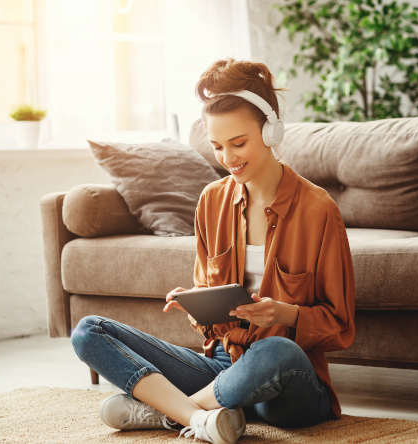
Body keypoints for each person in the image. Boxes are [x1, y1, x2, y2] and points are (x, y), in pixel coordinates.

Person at [72, 58, 355, 444]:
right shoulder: (211, 201)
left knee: (275, 350)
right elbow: (211, 320)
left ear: (271, 132)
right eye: (218, 146)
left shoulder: (318, 209)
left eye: (239, 143)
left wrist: (282, 313)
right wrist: (197, 304)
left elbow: (339, 326)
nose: (228, 158)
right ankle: (203, 415)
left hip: (286, 385)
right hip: (222, 368)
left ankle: (172, 412)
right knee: (89, 332)